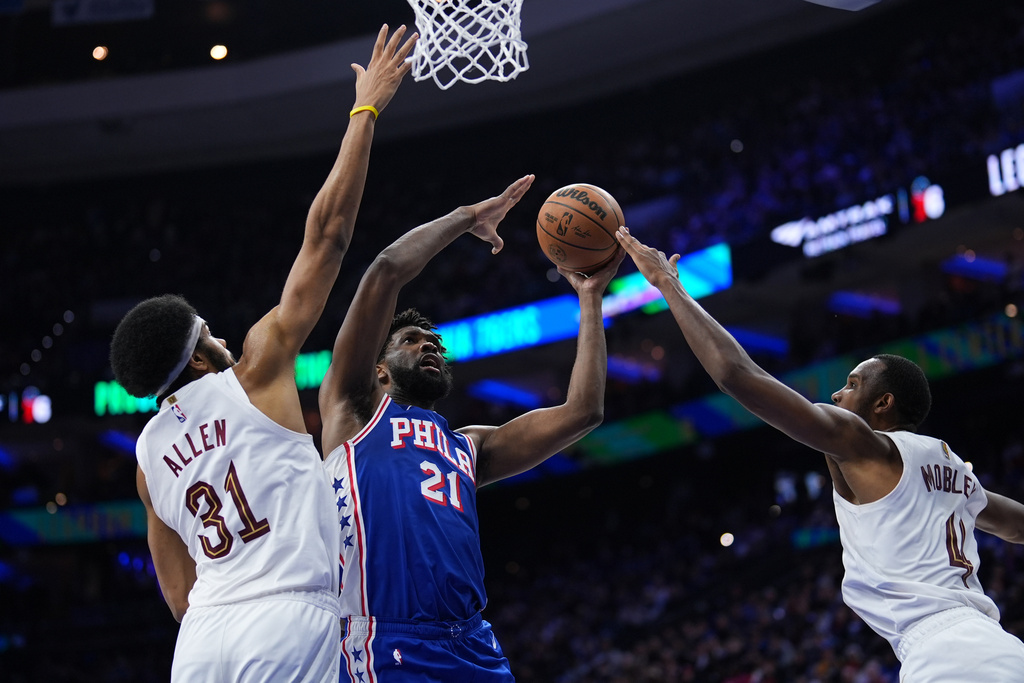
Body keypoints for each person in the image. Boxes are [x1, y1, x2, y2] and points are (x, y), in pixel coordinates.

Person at [107, 25, 417, 682]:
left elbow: (175, 591)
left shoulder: (144, 459)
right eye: (209, 332)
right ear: (197, 358)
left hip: (200, 641)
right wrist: (366, 111)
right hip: (288, 619)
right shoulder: (255, 370)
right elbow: (328, 238)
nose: (224, 335)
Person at [614, 226, 1024, 681]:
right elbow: (1018, 525)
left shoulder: (863, 441)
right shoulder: (955, 471)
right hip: (996, 644)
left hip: (949, 655)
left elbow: (737, 375)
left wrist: (670, 287)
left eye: (852, 384)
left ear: (883, 403)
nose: (837, 391)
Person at [317, 174, 624, 681]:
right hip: (387, 642)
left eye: (435, 341)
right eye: (413, 340)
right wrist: (466, 218)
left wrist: (590, 298)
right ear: (379, 368)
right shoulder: (352, 412)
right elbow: (386, 271)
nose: (430, 346)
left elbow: (583, 411)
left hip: (475, 643)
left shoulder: (468, 446)